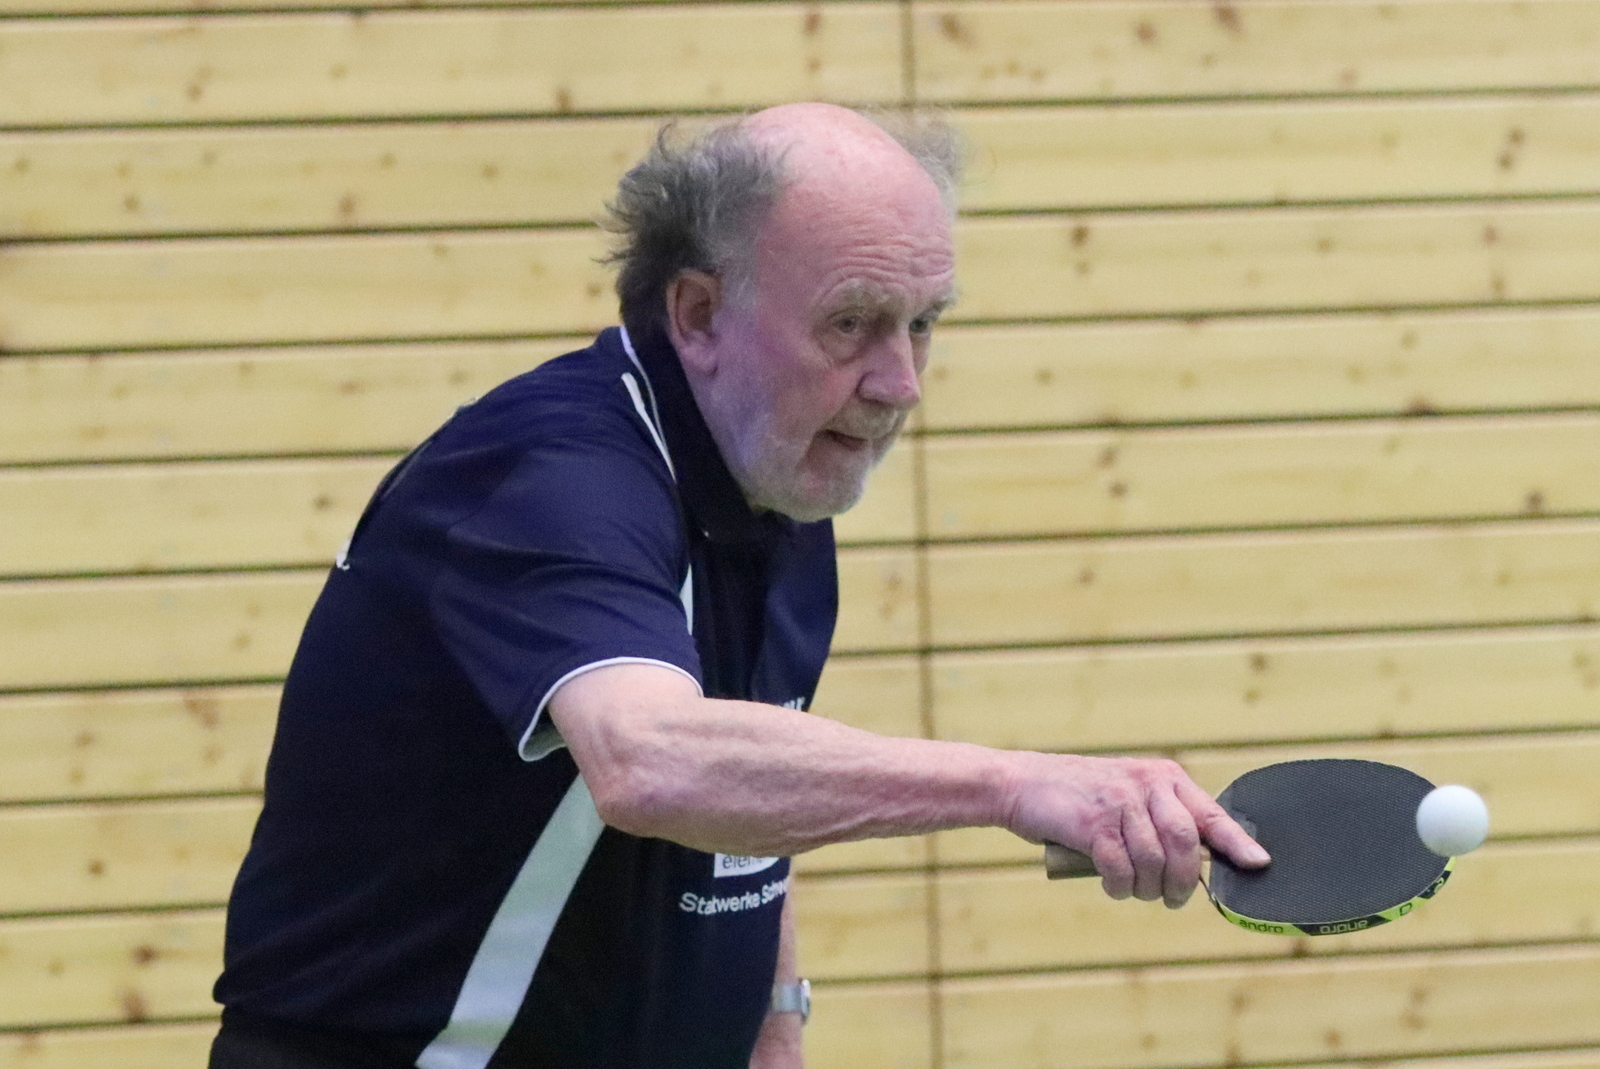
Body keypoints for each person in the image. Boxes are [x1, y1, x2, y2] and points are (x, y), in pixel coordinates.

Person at [210, 103, 1269, 1069]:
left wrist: (774, 1023)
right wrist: (1015, 783)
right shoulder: (549, 479)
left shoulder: (778, 482)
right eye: (852, 322)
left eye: (922, 323)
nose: (900, 383)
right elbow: (652, 760)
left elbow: (747, 783)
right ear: (699, 314)